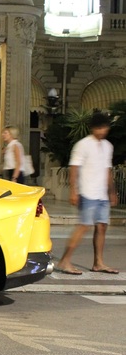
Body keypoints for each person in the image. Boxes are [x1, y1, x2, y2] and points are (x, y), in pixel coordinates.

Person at [56, 113, 119, 275]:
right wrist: (73, 190)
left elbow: (108, 170)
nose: (102, 131)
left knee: (102, 226)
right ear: (93, 128)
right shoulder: (83, 145)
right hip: (87, 192)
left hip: (102, 195)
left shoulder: (107, 146)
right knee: (84, 226)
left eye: (105, 127)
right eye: (99, 128)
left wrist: (112, 192)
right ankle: (65, 261)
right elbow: (74, 168)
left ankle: (98, 262)